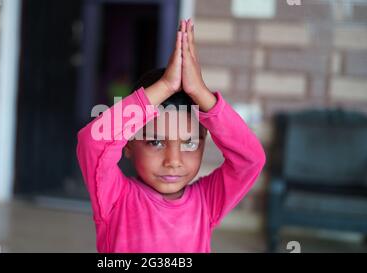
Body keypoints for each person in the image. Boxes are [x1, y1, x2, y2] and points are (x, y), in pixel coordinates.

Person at [76, 19, 266, 253]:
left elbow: (251, 159)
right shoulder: (115, 197)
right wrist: (166, 85)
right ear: (128, 143)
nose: (173, 161)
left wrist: (200, 92)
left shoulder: (207, 202)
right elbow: (93, 141)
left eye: (189, 143)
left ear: (204, 142)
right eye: (155, 142)